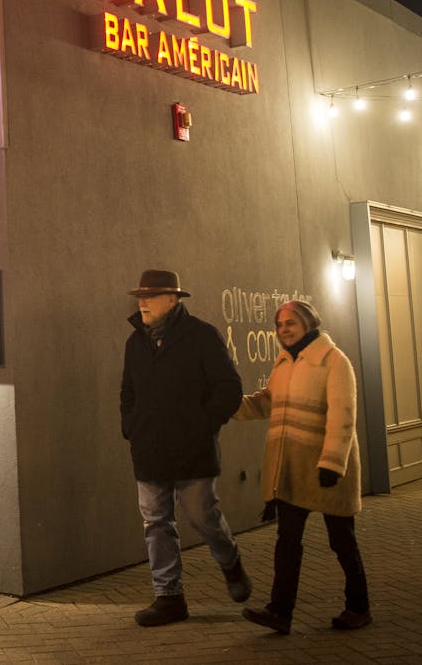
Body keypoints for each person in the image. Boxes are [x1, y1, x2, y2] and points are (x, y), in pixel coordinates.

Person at [120, 268, 250, 627]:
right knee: (156, 522)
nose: (141, 302)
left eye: (150, 296)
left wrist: (202, 425)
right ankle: (169, 597)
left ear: (172, 300)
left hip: (192, 450)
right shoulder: (136, 342)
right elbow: (128, 391)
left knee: (201, 516)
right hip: (148, 449)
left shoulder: (202, 336)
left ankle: (230, 561)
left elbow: (229, 389)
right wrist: (130, 426)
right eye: (140, 296)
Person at [239, 299, 371, 634]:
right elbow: (266, 402)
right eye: (280, 325)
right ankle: (279, 612)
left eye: (290, 324)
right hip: (292, 471)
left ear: (308, 324)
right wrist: (227, 406)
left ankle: (359, 607)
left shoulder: (333, 361)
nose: (284, 330)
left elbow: (344, 416)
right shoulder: (284, 363)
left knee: (342, 542)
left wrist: (331, 462)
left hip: (328, 472)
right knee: (287, 542)